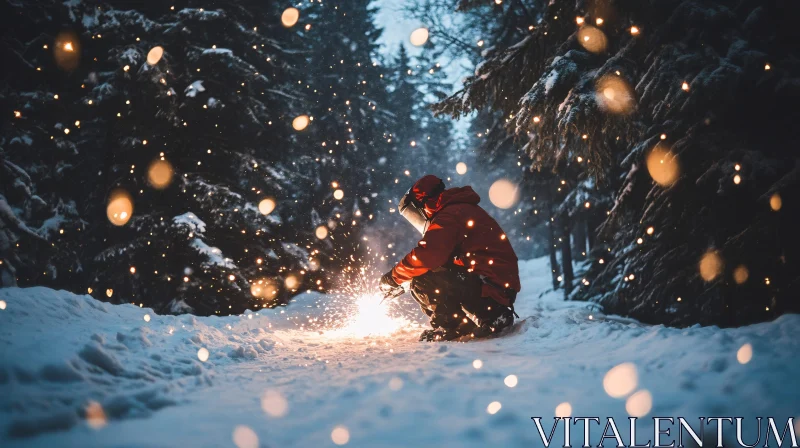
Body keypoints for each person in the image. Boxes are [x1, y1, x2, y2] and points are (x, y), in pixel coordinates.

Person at [379, 175, 521, 341]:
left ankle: (452, 324)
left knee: (423, 277)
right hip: (495, 287)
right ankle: (489, 315)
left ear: (424, 202)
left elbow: (428, 255)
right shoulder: (459, 210)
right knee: (435, 271)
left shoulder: (450, 215)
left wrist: (393, 278)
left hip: (491, 288)